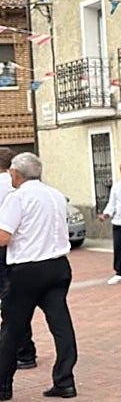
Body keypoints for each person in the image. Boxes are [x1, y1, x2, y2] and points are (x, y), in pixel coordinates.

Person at [0, 153, 78, 401]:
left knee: (12, 327)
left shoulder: (18, 198)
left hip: (28, 269)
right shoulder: (55, 194)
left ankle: (2, 385)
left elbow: (4, 237)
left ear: (17, 173)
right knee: (61, 325)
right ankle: (65, 380)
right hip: (58, 266)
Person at [0, 147, 37, 370]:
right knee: (13, 299)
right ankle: (25, 350)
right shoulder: (17, 186)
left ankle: (19, 350)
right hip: (16, 248)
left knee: (9, 301)